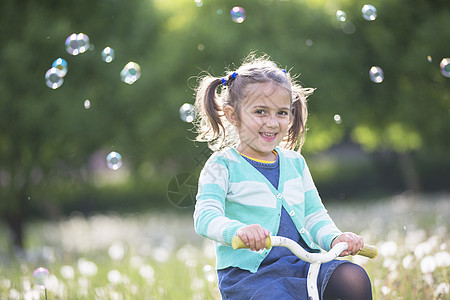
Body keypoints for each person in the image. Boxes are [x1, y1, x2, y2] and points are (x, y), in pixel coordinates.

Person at [193, 53, 372, 300]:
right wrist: (238, 231)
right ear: (233, 115)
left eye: (282, 113)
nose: (272, 122)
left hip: (303, 265)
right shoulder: (222, 165)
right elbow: (205, 216)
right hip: (252, 276)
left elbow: (314, 215)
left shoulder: (295, 163)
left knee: (353, 278)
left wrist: (334, 238)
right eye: (260, 111)